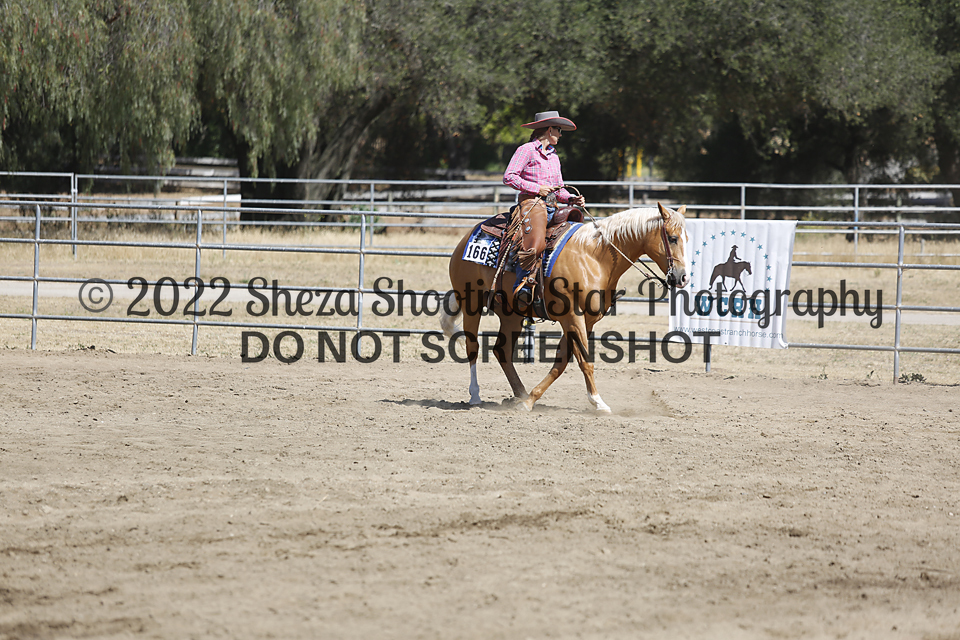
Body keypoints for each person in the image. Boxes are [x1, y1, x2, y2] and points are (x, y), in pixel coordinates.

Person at [503, 110, 585, 306]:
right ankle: (523, 285)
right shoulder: (526, 150)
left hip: (551, 204)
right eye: (558, 130)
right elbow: (509, 176)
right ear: (549, 130)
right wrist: (537, 188)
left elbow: (559, 188)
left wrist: (571, 198)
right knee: (536, 241)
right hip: (531, 203)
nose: (560, 134)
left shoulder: (554, 155)